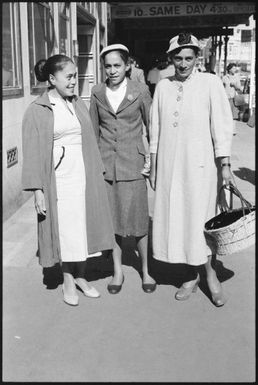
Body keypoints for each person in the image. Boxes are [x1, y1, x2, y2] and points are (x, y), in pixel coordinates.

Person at [149, 33, 235, 307]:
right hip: (170, 166)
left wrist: (225, 165)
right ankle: (190, 275)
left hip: (201, 168)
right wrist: (153, 164)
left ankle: (210, 274)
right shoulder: (163, 86)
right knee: (178, 218)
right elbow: (156, 127)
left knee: (201, 220)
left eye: (189, 58)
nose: (183, 63)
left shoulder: (210, 83)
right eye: (178, 58)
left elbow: (221, 124)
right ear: (171, 58)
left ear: (197, 58)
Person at [22, 54, 115, 306]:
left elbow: (90, 137)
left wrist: (98, 170)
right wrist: (38, 191)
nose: (75, 81)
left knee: (83, 225)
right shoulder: (38, 109)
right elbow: (32, 153)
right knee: (65, 229)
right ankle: (67, 280)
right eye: (70, 76)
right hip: (58, 178)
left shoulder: (77, 103)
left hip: (83, 174)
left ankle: (82, 277)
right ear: (52, 79)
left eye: (75, 76)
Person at [90, 44, 156, 294]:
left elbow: (152, 128)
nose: (112, 70)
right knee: (113, 222)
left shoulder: (140, 90)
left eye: (117, 65)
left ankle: (146, 271)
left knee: (139, 221)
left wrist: (151, 162)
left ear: (128, 65)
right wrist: (94, 166)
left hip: (134, 164)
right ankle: (117, 271)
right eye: (108, 66)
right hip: (107, 166)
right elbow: (93, 132)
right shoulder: (97, 92)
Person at [222, 63, 243, 133]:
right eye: (233, 68)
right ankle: (226, 128)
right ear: (229, 69)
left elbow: (240, 88)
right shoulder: (224, 77)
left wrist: (235, 85)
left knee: (234, 114)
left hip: (234, 98)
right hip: (226, 98)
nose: (235, 69)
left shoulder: (236, 78)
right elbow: (221, 88)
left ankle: (233, 129)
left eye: (235, 68)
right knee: (226, 114)